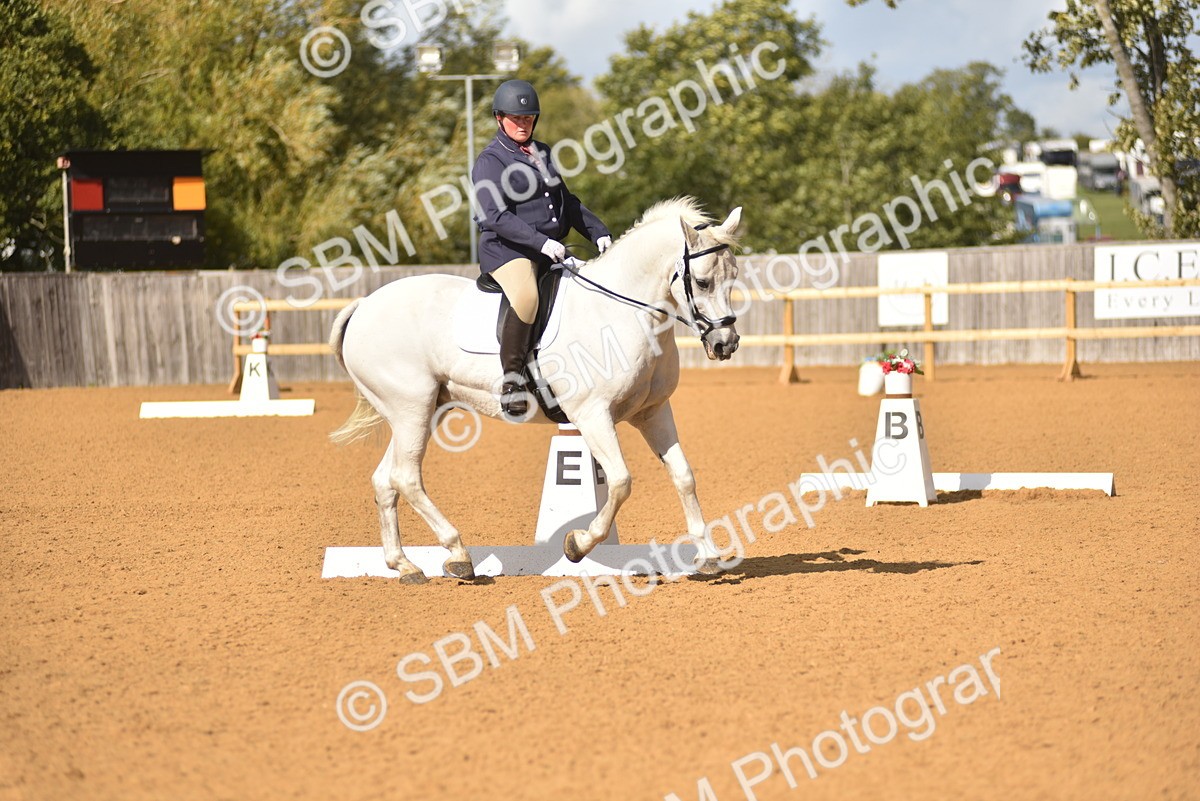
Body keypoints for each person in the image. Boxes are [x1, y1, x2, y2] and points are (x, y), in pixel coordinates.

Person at [472, 79, 612, 417]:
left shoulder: (542, 152)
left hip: (549, 249)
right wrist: (541, 242)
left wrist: (598, 232)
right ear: (499, 118)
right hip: (507, 250)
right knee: (527, 297)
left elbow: (566, 201)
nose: (523, 124)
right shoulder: (490, 160)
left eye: (528, 118)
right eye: (516, 118)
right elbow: (494, 215)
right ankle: (512, 382)